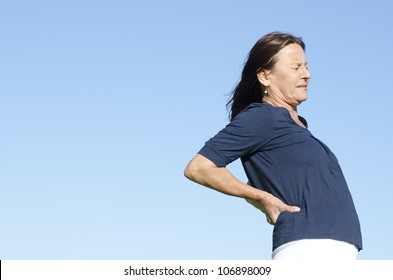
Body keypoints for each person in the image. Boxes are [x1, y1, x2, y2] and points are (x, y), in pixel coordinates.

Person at [184, 32, 362, 260]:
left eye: (306, 66)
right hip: (308, 249)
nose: (306, 74)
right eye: (296, 67)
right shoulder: (263, 117)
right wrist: (263, 199)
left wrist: (260, 195)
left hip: (335, 248)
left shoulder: (295, 125)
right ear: (265, 77)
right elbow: (199, 168)